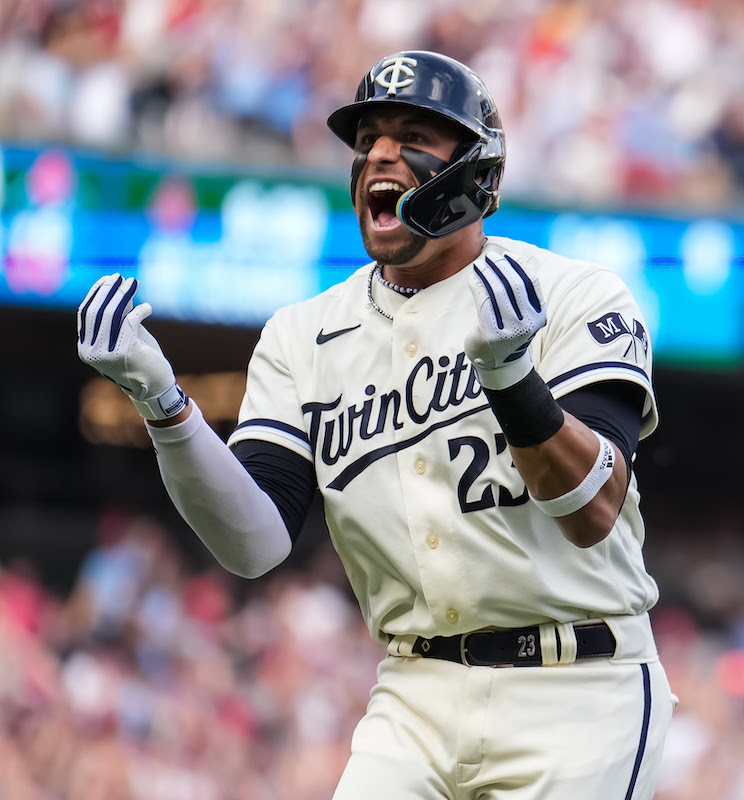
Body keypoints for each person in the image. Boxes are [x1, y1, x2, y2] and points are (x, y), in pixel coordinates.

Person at [77, 50, 674, 799]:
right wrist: (164, 405)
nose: (380, 154)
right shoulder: (302, 336)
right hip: (415, 691)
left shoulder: (571, 293)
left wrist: (514, 383)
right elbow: (255, 543)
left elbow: (593, 511)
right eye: (368, 140)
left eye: (413, 132)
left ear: (477, 171)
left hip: (581, 686)